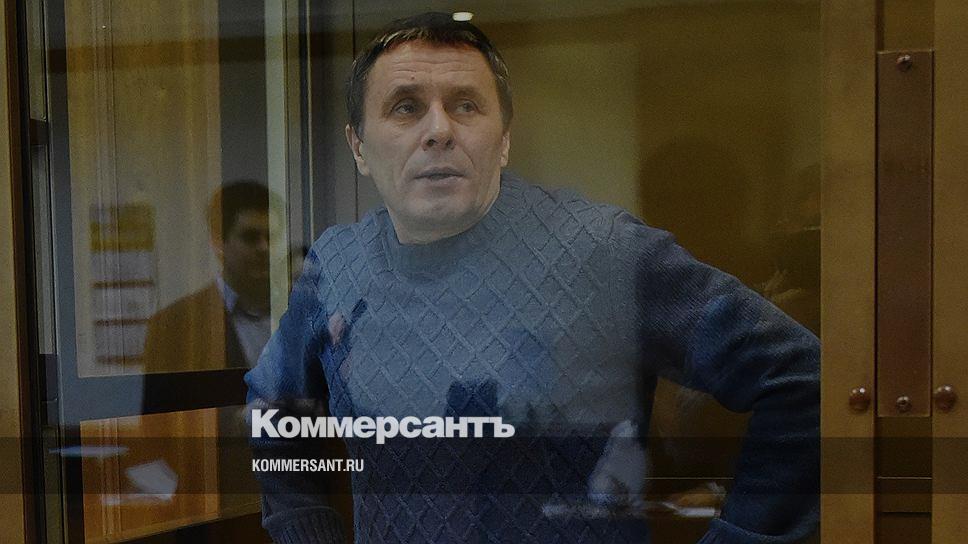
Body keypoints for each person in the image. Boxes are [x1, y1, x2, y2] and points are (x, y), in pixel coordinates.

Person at [245, 12, 819, 544]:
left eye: (466, 105)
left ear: (504, 140)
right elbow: (273, 407)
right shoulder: (338, 261)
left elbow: (799, 377)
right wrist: (306, 529)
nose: (439, 130)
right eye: (405, 107)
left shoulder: (601, 250)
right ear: (359, 147)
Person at [144, 180, 273, 373]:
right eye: (250, 237)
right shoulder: (175, 325)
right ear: (219, 242)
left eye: (271, 237)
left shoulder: (297, 313)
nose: (264, 248)